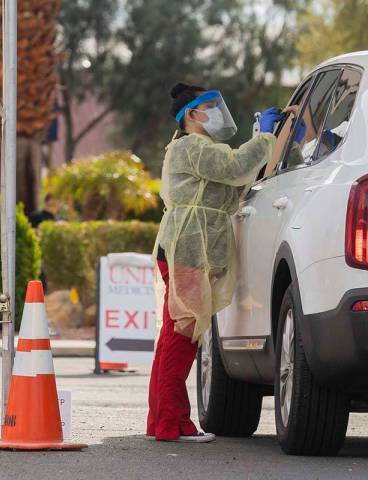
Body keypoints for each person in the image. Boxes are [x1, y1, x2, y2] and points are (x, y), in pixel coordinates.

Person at [147, 82, 285, 443]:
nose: (218, 112)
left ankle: (161, 420)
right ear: (191, 115)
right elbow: (237, 166)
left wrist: (266, 143)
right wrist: (266, 138)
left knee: (173, 335)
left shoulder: (197, 148)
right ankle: (173, 425)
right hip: (189, 249)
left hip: (187, 247)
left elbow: (233, 185)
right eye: (210, 106)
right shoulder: (193, 146)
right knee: (183, 336)